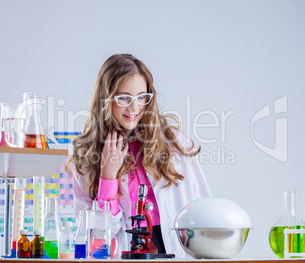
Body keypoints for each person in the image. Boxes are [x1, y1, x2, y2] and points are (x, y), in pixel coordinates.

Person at [66, 54, 211, 258]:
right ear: (105, 99)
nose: (134, 107)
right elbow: (95, 241)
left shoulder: (174, 143)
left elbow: (205, 206)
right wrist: (108, 176)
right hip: (124, 254)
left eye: (142, 97)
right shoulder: (86, 156)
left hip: (176, 252)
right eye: (124, 98)